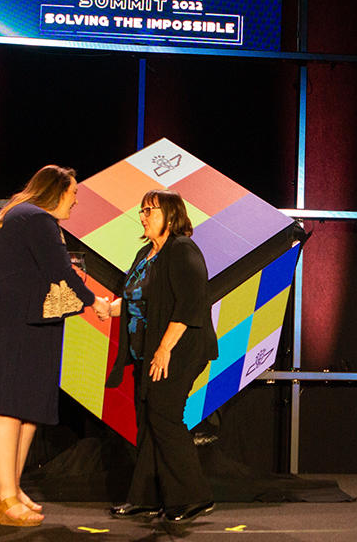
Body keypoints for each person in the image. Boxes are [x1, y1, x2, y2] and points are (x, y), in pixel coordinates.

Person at [0, 165, 111, 527]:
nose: (76, 200)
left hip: (21, 317)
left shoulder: (18, 215)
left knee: (29, 408)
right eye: (73, 193)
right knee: (8, 405)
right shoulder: (36, 218)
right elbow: (59, 273)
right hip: (4, 320)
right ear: (56, 191)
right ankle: (5, 496)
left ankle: (10, 489)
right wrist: (95, 302)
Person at [106, 189, 218, 525]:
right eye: (141, 210)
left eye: (150, 210)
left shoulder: (182, 249)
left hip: (179, 348)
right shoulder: (145, 254)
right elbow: (136, 298)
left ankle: (195, 497)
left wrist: (165, 348)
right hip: (148, 348)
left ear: (171, 214)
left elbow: (190, 303)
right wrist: (106, 308)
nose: (143, 216)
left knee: (164, 417)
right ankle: (145, 498)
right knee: (147, 420)